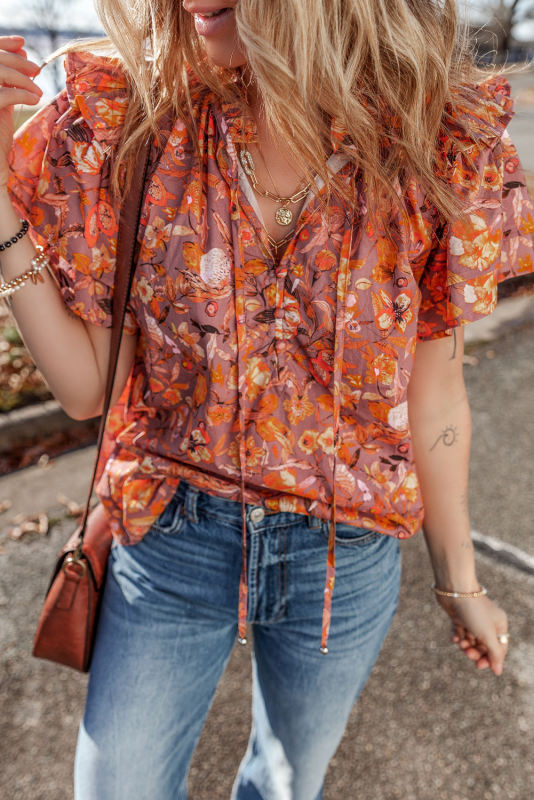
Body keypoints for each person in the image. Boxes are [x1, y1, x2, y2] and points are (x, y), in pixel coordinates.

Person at [1, 1, 533, 797]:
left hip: (342, 559)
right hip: (172, 532)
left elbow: (436, 392)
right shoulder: (138, 121)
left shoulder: (433, 144)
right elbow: (85, 389)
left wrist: (459, 584)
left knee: (286, 784)